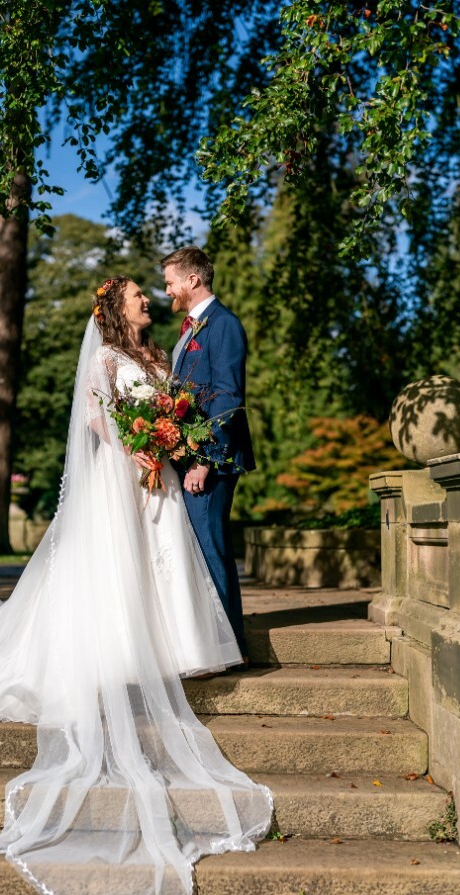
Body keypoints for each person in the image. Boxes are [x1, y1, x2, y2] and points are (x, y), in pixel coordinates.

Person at [0, 276, 272, 895]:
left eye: (147, 293)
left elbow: (176, 409)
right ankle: (116, 647)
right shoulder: (104, 358)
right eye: (137, 296)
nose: (147, 300)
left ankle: (174, 647)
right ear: (115, 308)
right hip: (119, 474)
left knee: (163, 563)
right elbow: (93, 417)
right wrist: (137, 449)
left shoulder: (157, 355)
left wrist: (166, 445)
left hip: (158, 474)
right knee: (116, 564)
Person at [161, 247, 254, 663]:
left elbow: (228, 397)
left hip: (211, 461)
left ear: (192, 280)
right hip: (190, 457)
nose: (167, 291)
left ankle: (229, 649)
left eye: (170, 283)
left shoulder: (224, 325)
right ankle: (216, 643)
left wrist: (204, 460)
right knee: (200, 549)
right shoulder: (192, 328)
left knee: (210, 549)